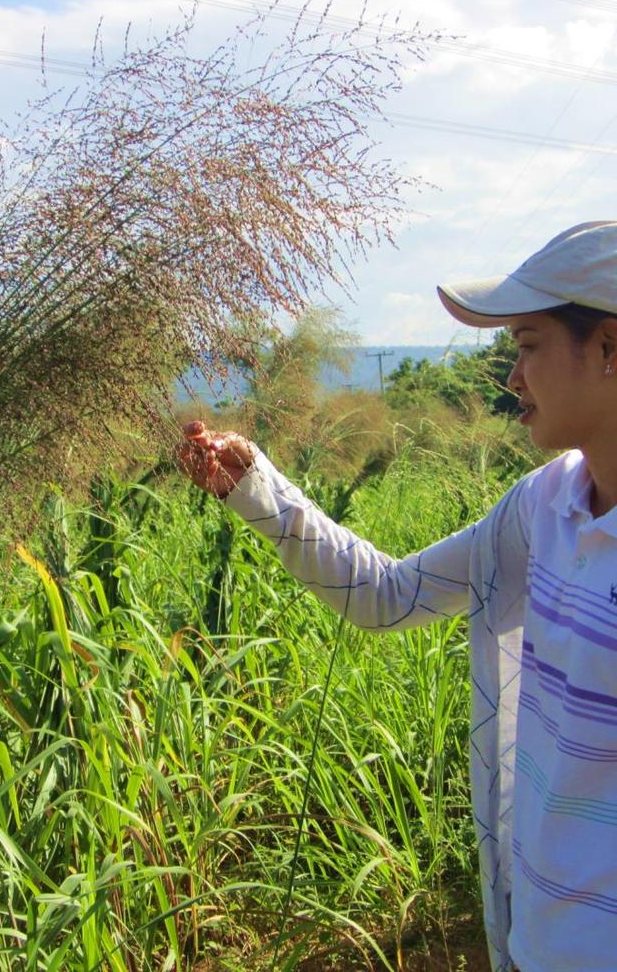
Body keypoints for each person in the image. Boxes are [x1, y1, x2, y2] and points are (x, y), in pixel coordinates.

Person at [179, 220, 617, 972]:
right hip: (532, 942)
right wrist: (257, 489)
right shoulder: (542, 509)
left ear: (609, 348)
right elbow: (388, 594)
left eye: (528, 345)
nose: (513, 378)